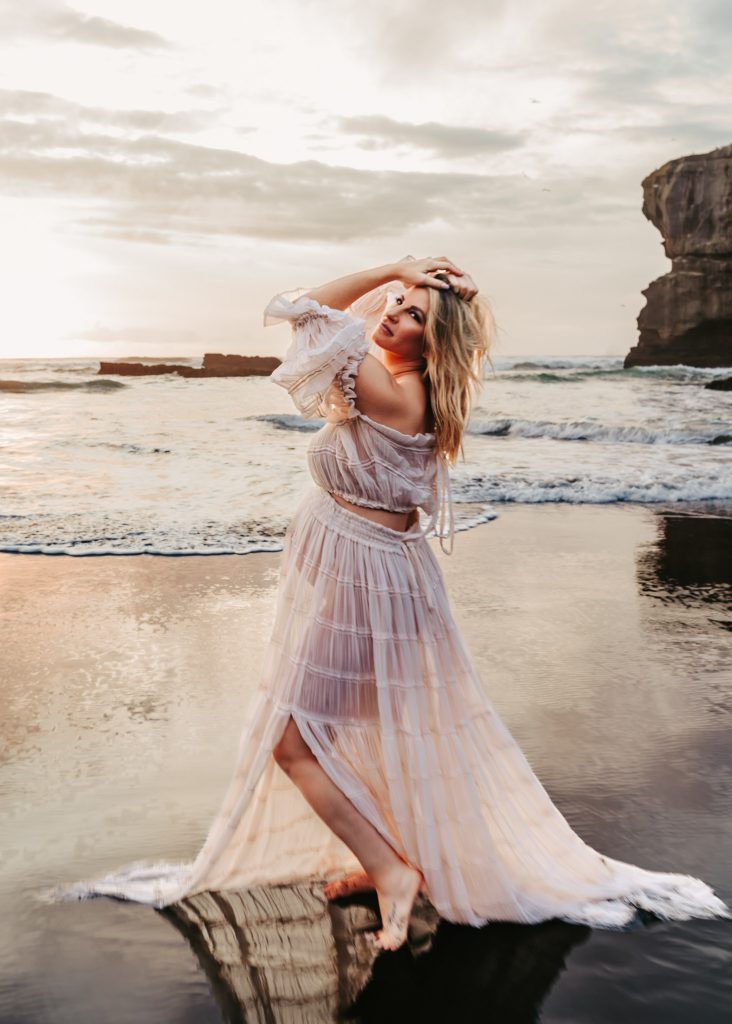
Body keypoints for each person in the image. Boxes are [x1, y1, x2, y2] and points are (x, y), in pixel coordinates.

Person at [52, 255, 729, 950]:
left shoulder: (391, 391)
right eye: (395, 306)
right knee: (347, 727)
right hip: (372, 570)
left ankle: (392, 870)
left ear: (432, 344)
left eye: (410, 317)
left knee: (294, 743)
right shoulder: (404, 384)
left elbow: (299, 307)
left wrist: (392, 270)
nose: (390, 316)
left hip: (363, 577)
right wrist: (406, 288)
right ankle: (383, 859)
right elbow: (330, 325)